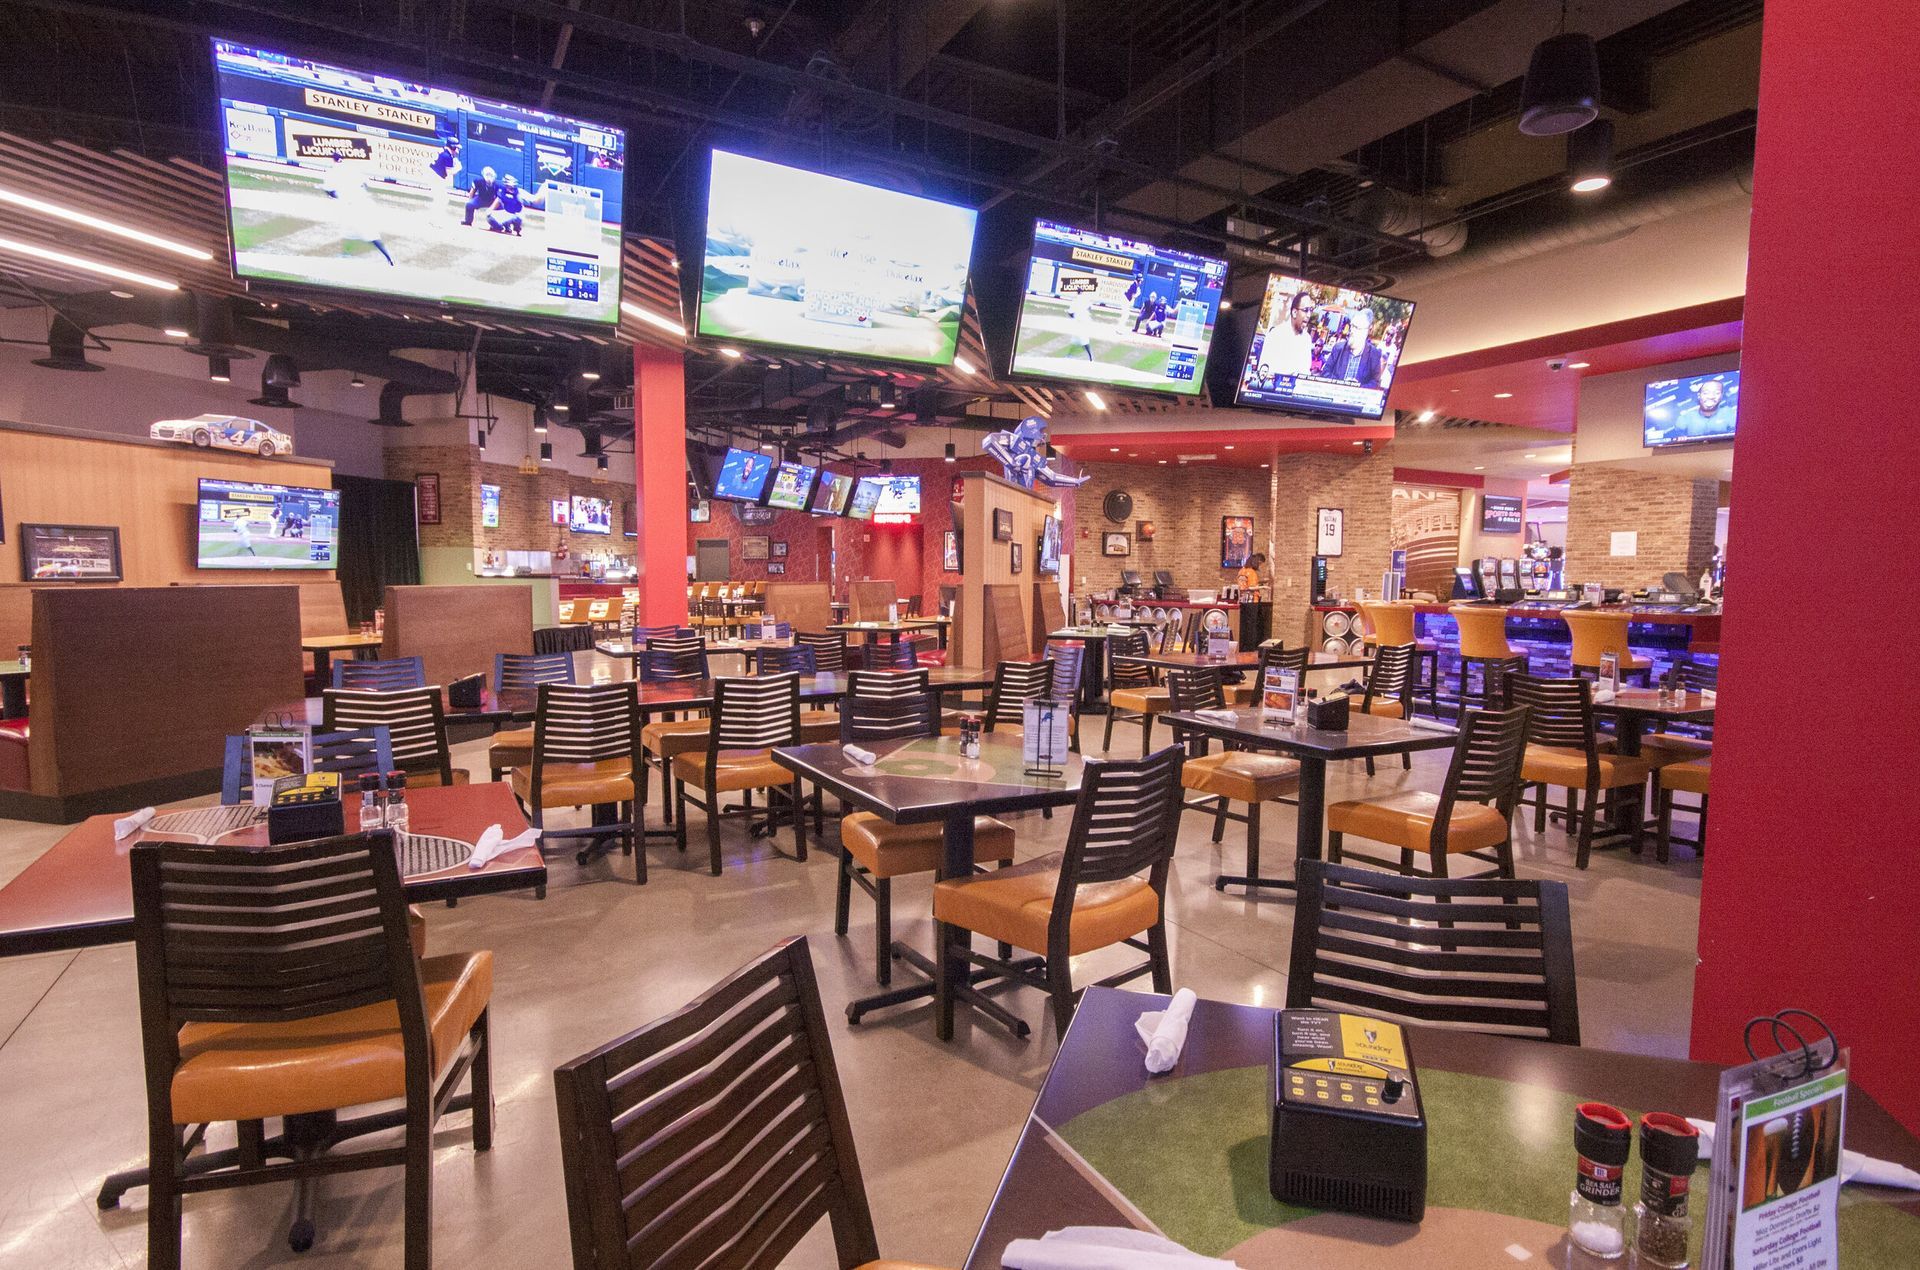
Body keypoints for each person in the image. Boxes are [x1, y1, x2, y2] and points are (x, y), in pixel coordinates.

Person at [320, 154, 394, 266]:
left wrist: (335, 194)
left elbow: (330, 192)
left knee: (369, 234)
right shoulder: (353, 168)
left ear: (333, 160)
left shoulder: (333, 171)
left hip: (354, 207)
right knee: (349, 230)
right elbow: (365, 185)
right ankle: (347, 253)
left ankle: (389, 257)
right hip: (365, 203)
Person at [1319, 307, 1385, 387]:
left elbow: (1375, 382)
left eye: (1357, 328)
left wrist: (1358, 388)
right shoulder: (1338, 348)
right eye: (1352, 326)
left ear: (1367, 331)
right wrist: (1342, 384)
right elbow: (1325, 373)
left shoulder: (1374, 354)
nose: (1352, 331)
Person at [1262, 289, 1316, 378]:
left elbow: (1305, 371)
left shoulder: (1306, 339)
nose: (1309, 315)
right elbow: (1265, 369)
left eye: (1311, 310)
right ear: (1294, 312)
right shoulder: (1275, 334)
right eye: (1305, 310)